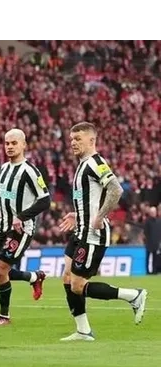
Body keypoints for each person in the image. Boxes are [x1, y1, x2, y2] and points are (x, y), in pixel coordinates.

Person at [58, 122, 147, 341]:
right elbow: (91, 200)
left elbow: (115, 189)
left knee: (77, 285)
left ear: (91, 140)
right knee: (67, 277)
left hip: (93, 234)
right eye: (71, 139)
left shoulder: (95, 163)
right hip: (81, 229)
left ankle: (133, 295)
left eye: (78, 139)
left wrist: (99, 217)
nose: (73, 143)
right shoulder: (82, 165)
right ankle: (83, 331)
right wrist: (78, 215)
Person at [0, 129, 50, 325]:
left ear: (23, 145)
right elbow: (4, 197)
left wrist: (21, 217)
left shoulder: (30, 171)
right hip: (3, 227)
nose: (10, 147)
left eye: (14, 143)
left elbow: (45, 200)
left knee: (0, 271)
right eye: (7, 143)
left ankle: (3, 316)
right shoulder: (4, 168)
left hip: (21, 229)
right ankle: (34, 277)